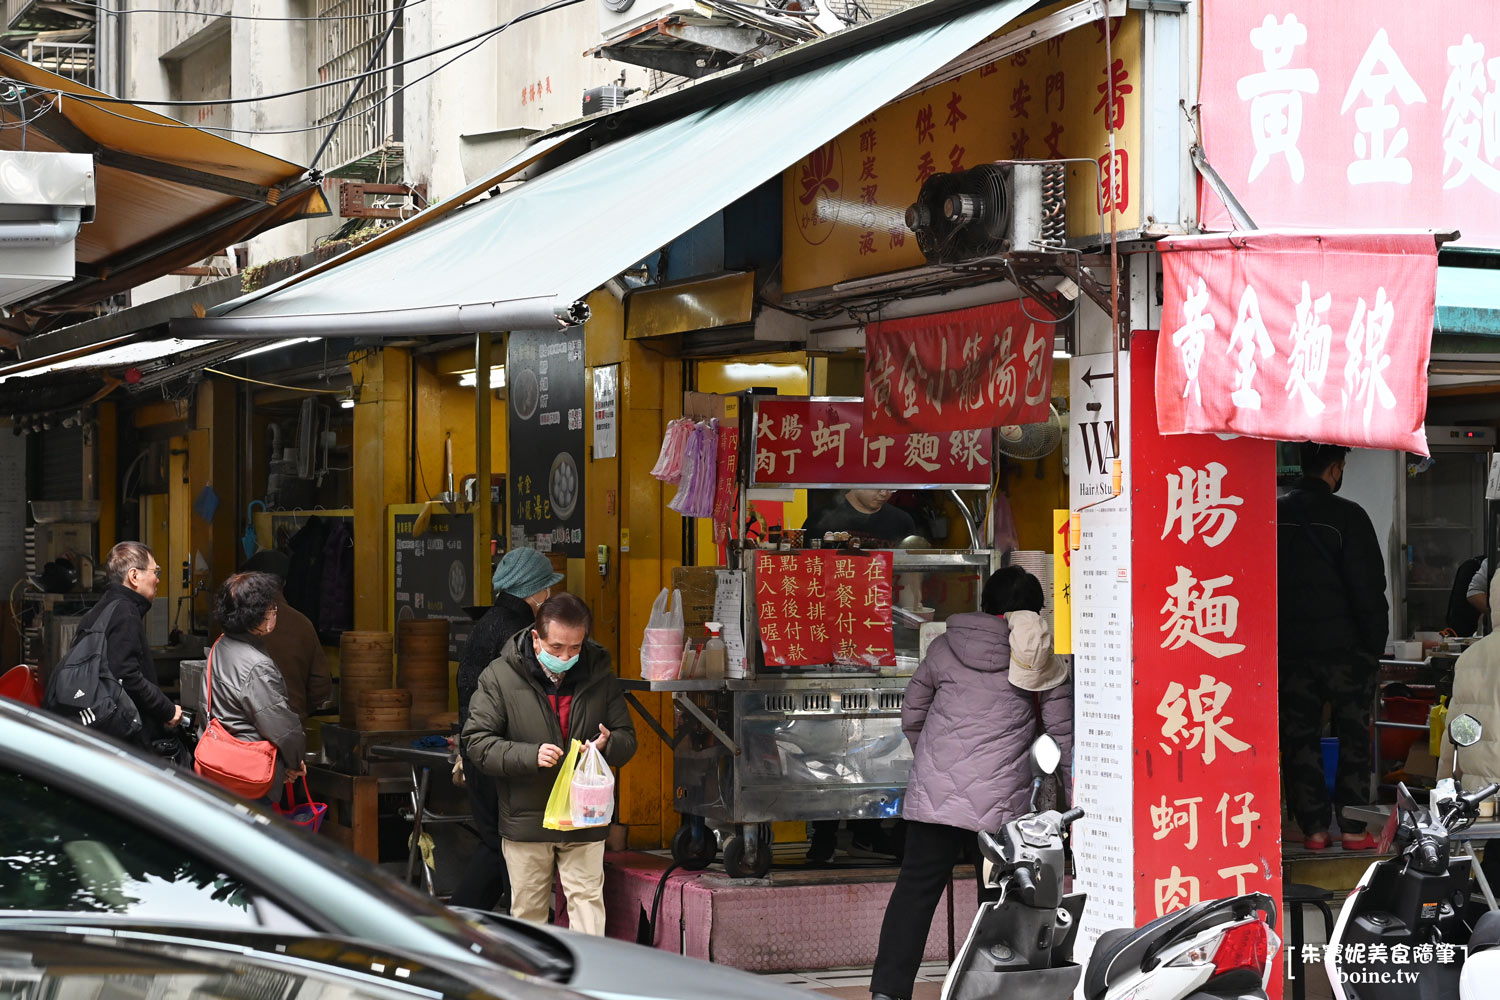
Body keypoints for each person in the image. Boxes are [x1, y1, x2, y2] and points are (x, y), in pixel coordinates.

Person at [869, 566, 1068, 1000]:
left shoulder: (943, 648)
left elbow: (912, 715)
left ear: (985, 606)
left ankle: (887, 991)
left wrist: (937, 764)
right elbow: (1060, 738)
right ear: (1036, 611)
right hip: (1001, 807)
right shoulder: (1044, 663)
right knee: (998, 902)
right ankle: (987, 991)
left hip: (935, 797)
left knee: (916, 892)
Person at [462, 593, 636, 936]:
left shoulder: (599, 672)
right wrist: (529, 755)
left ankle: (587, 984)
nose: (566, 657)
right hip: (527, 820)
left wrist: (607, 745)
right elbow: (477, 743)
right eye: (556, 648)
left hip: (585, 818)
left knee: (588, 906)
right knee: (528, 917)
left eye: (575, 648)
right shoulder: (500, 676)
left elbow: (627, 739)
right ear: (535, 637)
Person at [1278, 442, 1389, 851]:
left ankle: (1314, 831)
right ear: (1335, 470)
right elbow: (1368, 590)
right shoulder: (1349, 516)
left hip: (1290, 651)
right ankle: (1355, 829)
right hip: (1346, 651)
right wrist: (1373, 647)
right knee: (1353, 736)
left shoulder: (1275, 515)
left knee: (1298, 737)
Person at [803, 489, 915, 862]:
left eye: (891, 485)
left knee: (877, 741)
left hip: (886, 636)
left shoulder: (900, 523)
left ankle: (869, 830)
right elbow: (807, 578)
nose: (885, 491)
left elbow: (913, 575)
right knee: (829, 741)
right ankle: (825, 833)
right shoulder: (822, 519)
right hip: (836, 639)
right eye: (877, 483)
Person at [451, 547, 563, 912]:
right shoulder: (518, 633)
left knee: (494, 840)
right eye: (546, 589)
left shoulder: (487, 624)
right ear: (533, 592)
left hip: (478, 747)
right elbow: (523, 698)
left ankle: (466, 924)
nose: (548, 596)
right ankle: (463, 923)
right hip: (500, 752)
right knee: (503, 842)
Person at [203, 572, 308, 797]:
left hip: (221, 766)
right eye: (271, 608)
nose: (274, 613)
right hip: (250, 773)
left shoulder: (219, 646)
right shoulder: (257, 665)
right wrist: (293, 762)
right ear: (255, 615)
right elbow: (282, 727)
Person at [77, 542, 182, 749]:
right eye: (155, 571)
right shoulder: (126, 613)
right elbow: (126, 676)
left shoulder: (100, 610)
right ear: (134, 576)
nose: (158, 579)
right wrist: (167, 709)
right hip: (122, 737)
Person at [1437, 629, 1500, 885]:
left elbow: (1454, 728)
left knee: (1493, 874)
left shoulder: (1471, 655)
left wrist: (1444, 787)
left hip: (1481, 795)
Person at [240, 551, 332, 721]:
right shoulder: (302, 624)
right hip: (292, 728)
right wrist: (297, 710)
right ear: (284, 584)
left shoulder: (239, 622)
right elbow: (321, 684)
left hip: (246, 729)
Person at [803, 488, 916, 547]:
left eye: (890, 489)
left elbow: (909, 573)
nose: (884, 493)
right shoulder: (820, 519)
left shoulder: (901, 520)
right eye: (877, 487)